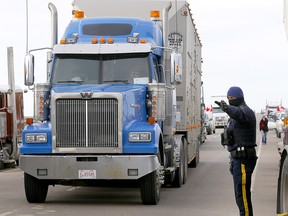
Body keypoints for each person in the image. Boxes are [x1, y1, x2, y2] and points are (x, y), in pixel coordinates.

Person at [215, 86, 257, 216]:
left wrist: (227, 108)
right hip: (237, 160)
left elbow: (239, 114)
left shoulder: (246, 112)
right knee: (240, 196)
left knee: (243, 196)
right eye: (228, 99)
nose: (230, 100)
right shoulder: (233, 116)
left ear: (240, 98)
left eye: (232, 98)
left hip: (244, 160)